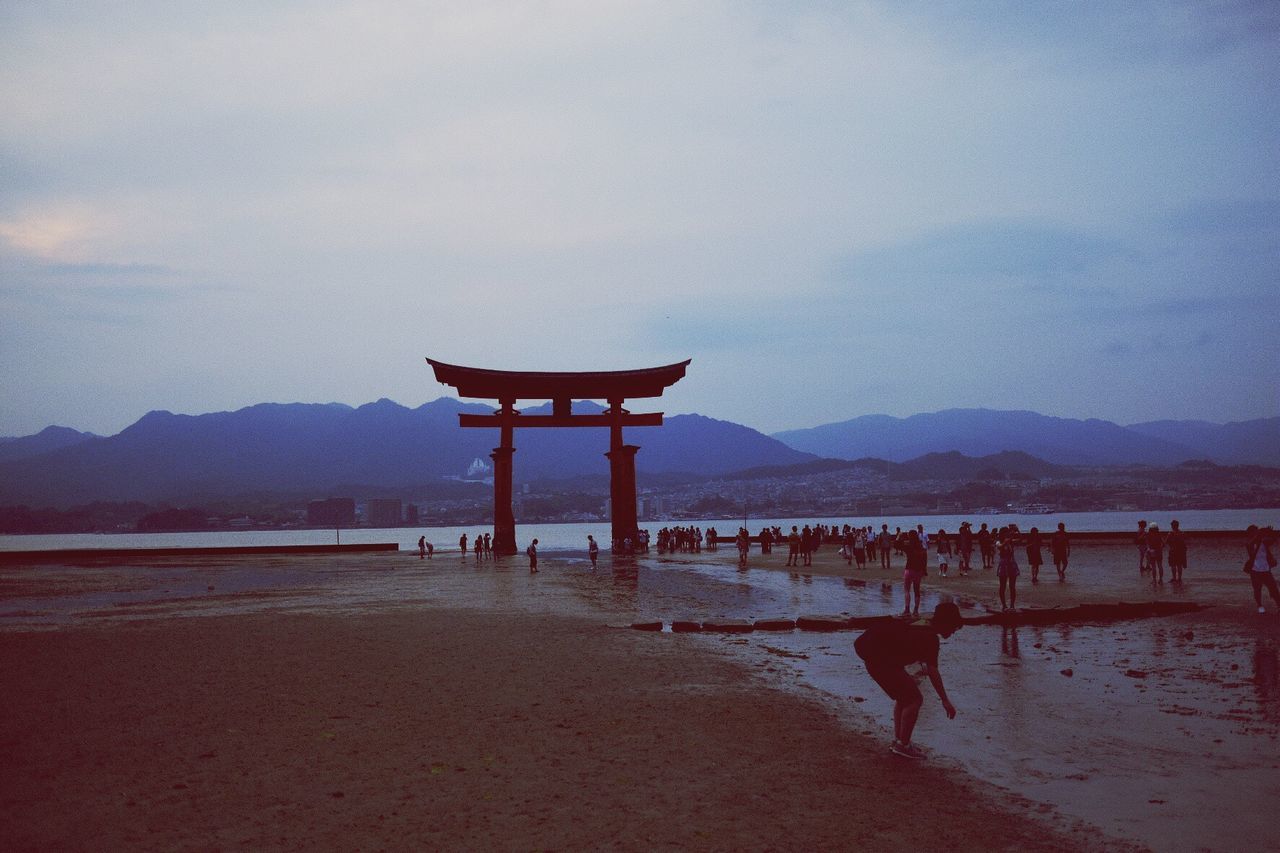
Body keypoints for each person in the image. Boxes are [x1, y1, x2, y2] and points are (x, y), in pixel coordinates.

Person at [854, 601, 962, 759]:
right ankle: (903, 745)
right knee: (914, 699)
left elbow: (901, 644)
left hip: (874, 655)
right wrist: (945, 700)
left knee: (904, 697)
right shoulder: (930, 638)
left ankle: (899, 741)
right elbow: (933, 671)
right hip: (878, 659)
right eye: (953, 627)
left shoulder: (922, 624)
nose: (953, 632)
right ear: (946, 624)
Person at [1244, 526, 1279, 614]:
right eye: (1255, 532)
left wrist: (1272, 533)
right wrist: (1259, 535)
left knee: (1273, 589)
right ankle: (1260, 605)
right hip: (1255, 570)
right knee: (1257, 589)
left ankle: (1279, 606)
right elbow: (1251, 547)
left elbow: (1273, 540)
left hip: (1266, 569)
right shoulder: (1249, 543)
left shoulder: (1263, 542)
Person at [902, 531, 927, 617]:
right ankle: (916, 610)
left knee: (907, 590)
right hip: (918, 570)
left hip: (909, 569)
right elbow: (925, 560)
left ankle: (907, 609)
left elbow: (896, 544)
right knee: (917, 590)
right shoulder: (921, 547)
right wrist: (924, 570)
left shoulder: (909, 547)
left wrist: (898, 536)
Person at [997, 526, 1020, 612]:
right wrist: (1005, 542)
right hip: (1004, 564)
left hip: (1011, 564)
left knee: (1012, 586)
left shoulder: (1010, 541)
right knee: (1002, 586)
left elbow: (1020, 540)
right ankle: (1004, 605)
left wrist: (1017, 530)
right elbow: (999, 546)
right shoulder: (999, 541)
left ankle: (1012, 605)